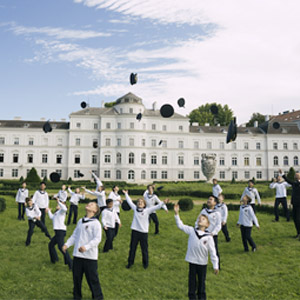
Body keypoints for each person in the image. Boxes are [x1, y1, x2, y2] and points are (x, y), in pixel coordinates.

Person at [174, 204, 219, 300]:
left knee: (201, 283)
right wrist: (177, 214)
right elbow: (180, 226)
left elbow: (213, 252)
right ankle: (192, 297)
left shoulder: (208, 237)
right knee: (192, 283)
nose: (200, 220)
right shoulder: (192, 231)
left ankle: (202, 297)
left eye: (203, 219)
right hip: (192, 261)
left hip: (202, 263)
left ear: (207, 225)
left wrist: (216, 265)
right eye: (199, 218)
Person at [63, 202, 103, 300]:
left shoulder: (96, 223)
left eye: (92, 204)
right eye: (89, 203)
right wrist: (67, 244)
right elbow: (75, 235)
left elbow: (97, 239)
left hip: (90, 257)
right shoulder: (80, 221)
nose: (89, 204)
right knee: (76, 278)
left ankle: (98, 297)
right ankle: (77, 297)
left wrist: (86, 247)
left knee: (92, 279)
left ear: (95, 211)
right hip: (77, 256)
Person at [123, 190, 168, 269]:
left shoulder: (147, 210)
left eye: (141, 202)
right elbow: (129, 201)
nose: (140, 203)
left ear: (144, 204)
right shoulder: (134, 209)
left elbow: (156, 207)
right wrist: (126, 194)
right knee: (132, 248)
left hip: (143, 233)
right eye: (139, 202)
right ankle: (130, 263)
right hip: (135, 232)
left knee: (144, 249)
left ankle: (145, 264)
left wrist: (163, 203)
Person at [195, 196, 221, 270]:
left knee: (214, 251)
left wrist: (213, 233)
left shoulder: (217, 213)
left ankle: (217, 266)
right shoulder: (203, 211)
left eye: (211, 199)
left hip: (212, 235)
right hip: (202, 234)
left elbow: (218, 225)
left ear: (215, 203)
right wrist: (197, 229)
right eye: (208, 199)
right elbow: (197, 220)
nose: (209, 200)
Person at [46, 199, 72, 270]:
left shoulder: (62, 211)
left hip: (61, 231)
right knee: (51, 245)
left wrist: (59, 202)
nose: (58, 204)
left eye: (60, 204)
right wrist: (48, 211)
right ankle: (54, 260)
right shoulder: (57, 213)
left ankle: (71, 263)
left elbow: (64, 208)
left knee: (61, 247)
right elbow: (51, 217)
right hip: (57, 232)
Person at [280, 169, 300, 238]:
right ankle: (298, 233)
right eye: (296, 174)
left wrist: (283, 175)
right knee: (295, 218)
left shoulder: (297, 183)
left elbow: (289, 181)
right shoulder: (295, 182)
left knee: (297, 218)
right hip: (294, 203)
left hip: (299, 204)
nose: (296, 175)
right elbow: (290, 182)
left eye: (297, 174)